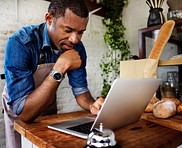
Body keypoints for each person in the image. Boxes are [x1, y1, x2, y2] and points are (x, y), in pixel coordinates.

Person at [2, 0, 105, 148]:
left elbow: (81, 91)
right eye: (68, 30)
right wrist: (60, 68)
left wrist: (92, 105)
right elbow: (25, 114)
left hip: (47, 102)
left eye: (81, 32)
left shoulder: (77, 48)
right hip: (18, 107)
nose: (75, 39)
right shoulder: (20, 43)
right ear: (49, 19)